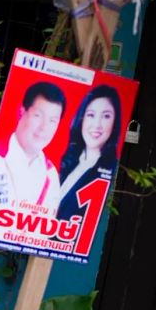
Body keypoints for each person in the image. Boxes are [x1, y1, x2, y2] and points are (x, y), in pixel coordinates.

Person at [0, 81, 67, 224]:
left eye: (52, 120)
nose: (44, 127)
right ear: (22, 111)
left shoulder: (51, 174)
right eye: (38, 115)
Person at [56, 85, 122, 221]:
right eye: (91, 115)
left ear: (115, 122)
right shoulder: (71, 161)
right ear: (82, 119)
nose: (97, 124)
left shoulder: (113, 171)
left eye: (106, 116)